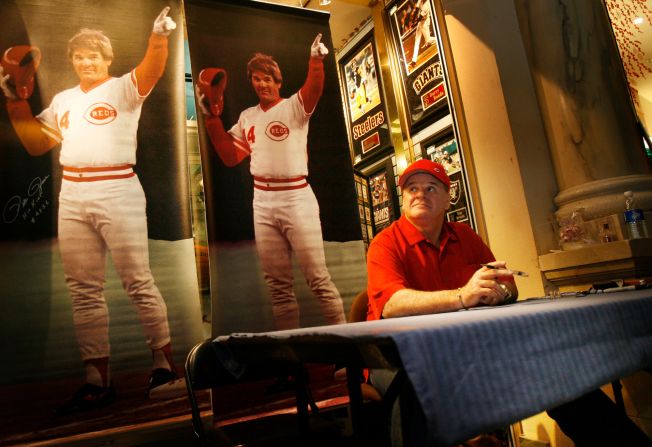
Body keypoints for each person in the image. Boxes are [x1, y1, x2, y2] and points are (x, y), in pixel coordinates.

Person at [367, 159, 652, 446]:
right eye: (412, 189)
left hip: (468, 350)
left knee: (558, 372)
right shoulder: (385, 243)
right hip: (403, 359)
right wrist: (462, 296)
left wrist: (500, 292)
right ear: (402, 199)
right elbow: (391, 303)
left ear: (446, 199)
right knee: (418, 398)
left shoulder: (464, 236)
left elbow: (508, 284)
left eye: (430, 188)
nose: (420, 194)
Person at [0, 7, 183, 415]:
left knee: (138, 280)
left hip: (118, 188)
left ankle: (165, 368)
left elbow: (151, 71)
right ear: (72, 61)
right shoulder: (64, 100)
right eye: (80, 56)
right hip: (73, 193)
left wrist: (157, 39)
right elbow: (35, 144)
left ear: (107, 58)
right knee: (83, 290)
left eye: (94, 55)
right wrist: (15, 101)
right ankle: (97, 380)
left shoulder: (122, 89)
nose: (87, 61)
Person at [196, 34, 346, 330]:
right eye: (256, 79)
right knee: (278, 287)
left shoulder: (293, 107)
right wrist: (211, 119)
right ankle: (291, 360)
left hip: (296, 197)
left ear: (278, 81)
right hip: (262, 201)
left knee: (318, 278)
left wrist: (316, 60)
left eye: (267, 78)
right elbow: (228, 156)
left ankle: (348, 349)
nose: (261, 84)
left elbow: (313, 89)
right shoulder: (247, 116)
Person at [407, 0, 437, 69]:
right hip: (420, 23)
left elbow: (420, 17)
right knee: (416, 41)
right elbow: (416, 11)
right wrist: (411, 22)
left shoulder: (428, 3)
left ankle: (439, 39)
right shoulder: (420, 0)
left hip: (424, 22)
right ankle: (414, 61)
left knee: (428, 40)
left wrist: (413, 25)